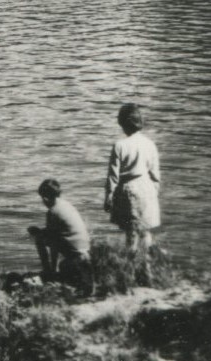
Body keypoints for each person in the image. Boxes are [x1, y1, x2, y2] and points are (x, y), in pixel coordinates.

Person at [104, 102, 162, 254]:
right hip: (147, 188)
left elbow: (113, 176)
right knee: (145, 232)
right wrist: (154, 192)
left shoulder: (120, 145)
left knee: (131, 234)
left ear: (123, 123)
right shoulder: (150, 144)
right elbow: (155, 175)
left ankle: (131, 266)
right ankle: (148, 265)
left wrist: (109, 196)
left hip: (130, 190)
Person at [27, 178, 92, 293]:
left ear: (45, 197)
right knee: (46, 236)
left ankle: (49, 272)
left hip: (76, 259)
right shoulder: (66, 205)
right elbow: (57, 232)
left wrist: (53, 270)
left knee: (39, 238)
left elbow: (53, 242)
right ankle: (53, 271)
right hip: (86, 252)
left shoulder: (52, 212)